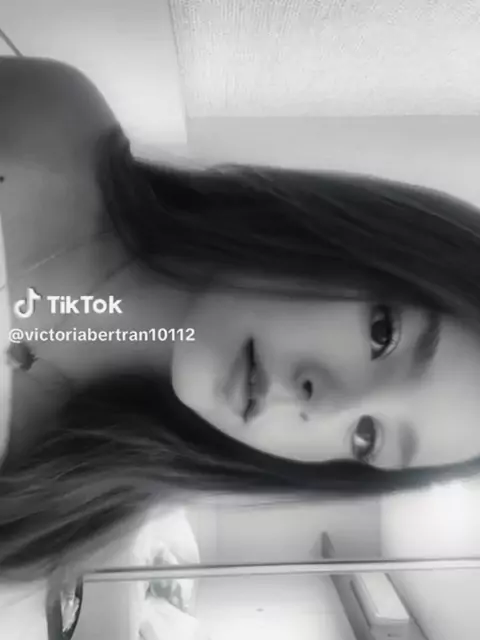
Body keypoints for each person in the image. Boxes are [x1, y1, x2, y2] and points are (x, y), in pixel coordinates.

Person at [2, 56, 480, 586]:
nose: (324, 404)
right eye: (382, 334)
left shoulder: (58, 524)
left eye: (366, 438)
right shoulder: (46, 123)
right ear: (352, 239)